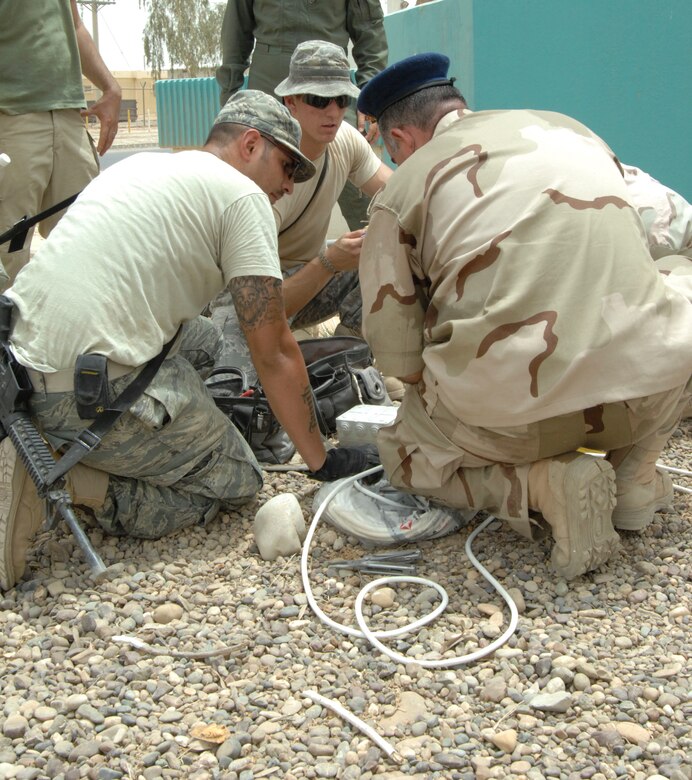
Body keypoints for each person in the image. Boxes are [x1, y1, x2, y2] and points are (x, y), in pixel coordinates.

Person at [0, 91, 377, 592]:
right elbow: (273, 347)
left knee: (204, 341)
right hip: (77, 393)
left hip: (16, 365)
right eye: (287, 167)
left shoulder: (139, 167)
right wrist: (321, 460)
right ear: (249, 144)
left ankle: (120, 436)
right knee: (238, 480)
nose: (288, 187)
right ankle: (71, 480)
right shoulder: (243, 199)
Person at [356, 53, 692, 580]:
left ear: (399, 139)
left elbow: (401, 358)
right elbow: (663, 229)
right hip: (644, 397)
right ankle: (634, 477)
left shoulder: (401, 192)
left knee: (402, 454)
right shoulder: (575, 134)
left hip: (512, 427)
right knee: (676, 277)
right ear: (457, 103)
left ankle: (541, 486)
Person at [211, 40, 391, 377]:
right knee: (236, 390)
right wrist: (329, 261)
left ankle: (350, 368)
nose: (333, 111)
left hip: (306, 282)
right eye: (320, 100)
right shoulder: (260, 177)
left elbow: (397, 190)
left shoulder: (345, 140)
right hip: (246, 295)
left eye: (341, 100)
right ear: (291, 102)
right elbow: (261, 305)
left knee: (385, 255)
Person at [215, 0, 388, 234]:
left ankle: (379, 253)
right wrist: (230, 97)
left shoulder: (337, 122)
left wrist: (371, 95)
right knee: (254, 190)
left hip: (330, 85)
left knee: (357, 193)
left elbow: (369, 31)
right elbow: (236, 32)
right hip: (268, 90)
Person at [0, 0, 122, 289]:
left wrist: (111, 87)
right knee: (8, 255)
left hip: (70, 119)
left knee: (85, 247)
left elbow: (75, 26)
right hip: (13, 120)